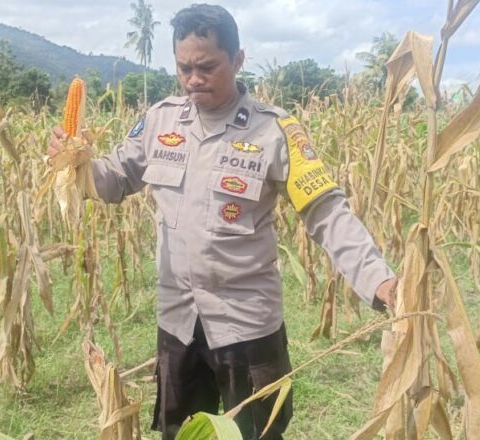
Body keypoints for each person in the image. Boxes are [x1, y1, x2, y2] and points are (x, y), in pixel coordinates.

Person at [49, 4, 398, 439]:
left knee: (256, 434)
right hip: (178, 322)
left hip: (246, 327)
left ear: (237, 59)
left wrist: (378, 280)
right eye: (184, 68)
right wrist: (76, 165)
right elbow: (114, 180)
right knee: (180, 433)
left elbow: (325, 211)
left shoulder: (275, 131)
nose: (194, 79)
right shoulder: (160, 121)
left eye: (207, 67)